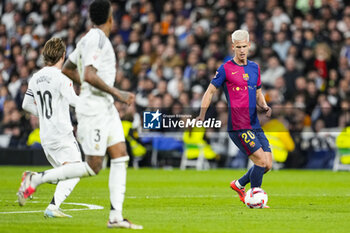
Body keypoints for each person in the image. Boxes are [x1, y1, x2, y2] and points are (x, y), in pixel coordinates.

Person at [17, 0, 142, 229]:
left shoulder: (87, 39)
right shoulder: (95, 39)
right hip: (95, 108)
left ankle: (115, 216)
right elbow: (89, 74)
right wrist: (118, 93)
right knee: (92, 166)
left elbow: (68, 69)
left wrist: (94, 89)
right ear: (110, 18)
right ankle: (37, 179)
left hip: (104, 107)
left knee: (121, 155)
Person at [197, 30, 273, 207]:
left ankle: (239, 184)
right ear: (233, 47)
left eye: (244, 47)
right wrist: (202, 114)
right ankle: (255, 198)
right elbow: (210, 91)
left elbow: (259, 91)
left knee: (267, 164)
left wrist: (264, 104)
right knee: (260, 161)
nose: (241, 50)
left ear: (249, 46)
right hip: (239, 125)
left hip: (254, 123)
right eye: (238, 47)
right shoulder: (225, 69)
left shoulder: (255, 68)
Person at [20, 37, 81, 218]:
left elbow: (26, 104)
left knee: (63, 175)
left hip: (46, 135)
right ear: (63, 55)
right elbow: (74, 101)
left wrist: (45, 115)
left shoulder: (36, 78)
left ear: (45, 56)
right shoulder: (62, 77)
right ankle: (53, 207)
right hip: (62, 133)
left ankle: (33, 178)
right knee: (75, 171)